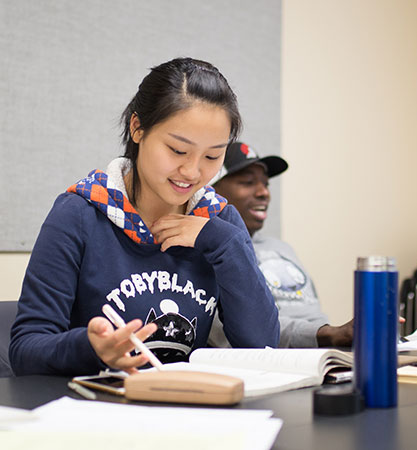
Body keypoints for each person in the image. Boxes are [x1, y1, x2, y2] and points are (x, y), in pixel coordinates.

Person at [9, 58, 280, 376]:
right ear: (137, 128)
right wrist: (91, 348)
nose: (192, 172)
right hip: (98, 410)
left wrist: (226, 243)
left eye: (212, 156)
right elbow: (25, 349)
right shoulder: (79, 214)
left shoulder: (220, 223)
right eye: (178, 150)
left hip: (191, 411)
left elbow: (263, 347)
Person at [208, 141, 353, 348]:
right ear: (211, 192)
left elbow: (314, 316)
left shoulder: (281, 248)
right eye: (248, 182)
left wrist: (346, 337)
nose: (263, 192)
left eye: (265, 184)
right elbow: (234, 332)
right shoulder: (209, 254)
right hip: (271, 364)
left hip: (324, 354)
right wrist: (329, 334)